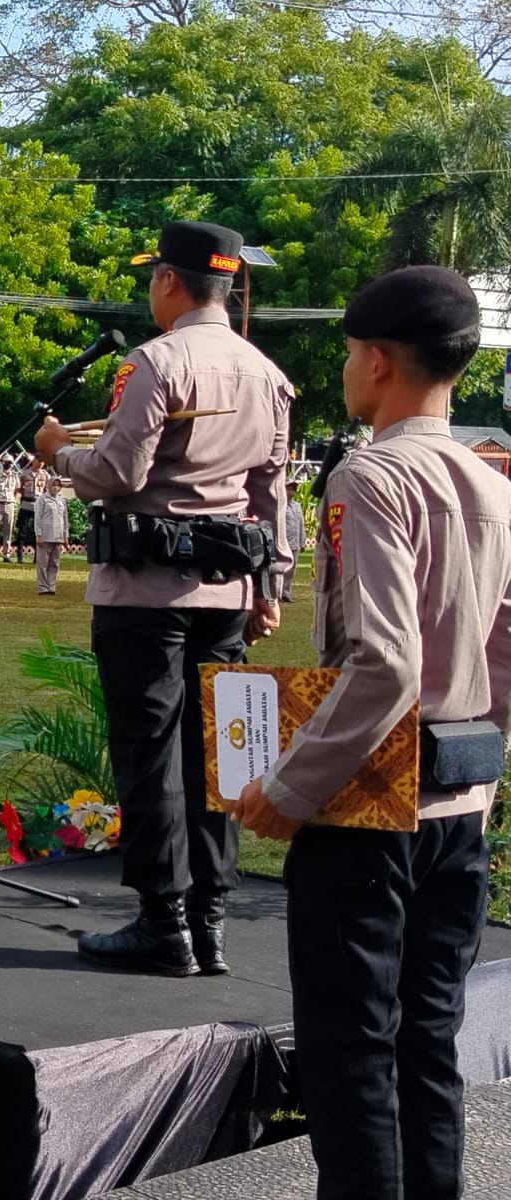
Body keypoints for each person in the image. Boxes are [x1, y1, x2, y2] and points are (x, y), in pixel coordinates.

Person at [229, 266, 511, 1200]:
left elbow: (382, 663)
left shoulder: (372, 475)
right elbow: (505, 653)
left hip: (366, 811)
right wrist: (477, 767)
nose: (348, 369)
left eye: (351, 354)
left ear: (379, 362)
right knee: (428, 1042)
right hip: (459, 804)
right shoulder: (490, 480)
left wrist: (288, 786)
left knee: (352, 1060)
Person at [35, 219, 293, 977]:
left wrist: (58, 453)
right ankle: (209, 924)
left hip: (144, 592)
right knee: (219, 759)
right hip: (224, 592)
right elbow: (271, 497)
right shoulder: (266, 374)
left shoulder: (156, 361)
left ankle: (162, 922)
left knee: (149, 757)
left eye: (154, 276)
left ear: (171, 282)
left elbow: (118, 471)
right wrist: (269, 586)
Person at [33, 475, 69, 595]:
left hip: (57, 536)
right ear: (48, 485)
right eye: (53, 484)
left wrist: (65, 536)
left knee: (54, 563)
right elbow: (37, 518)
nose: (55, 487)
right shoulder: (42, 499)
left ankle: (51, 587)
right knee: (43, 564)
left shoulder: (61, 501)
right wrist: (38, 534)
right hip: (45, 535)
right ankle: (43, 587)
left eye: (58, 485)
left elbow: (65, 519)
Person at [0, 456, 18, 562]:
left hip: (9, 504)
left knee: (8, 531)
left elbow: (16, 489)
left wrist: (11, 500)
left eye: (10, 462)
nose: (8, 465)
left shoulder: (14, 476)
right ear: (1, 462)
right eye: (6, 462)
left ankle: (6, 554)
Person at [281, 495, 306, 601]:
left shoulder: (297, 506)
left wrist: (302, 541)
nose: (291, 491)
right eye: (289, 488)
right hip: (284, 543)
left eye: (293, 488)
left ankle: (286, 593)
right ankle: (278, 592)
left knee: (291, 570)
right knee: (282, 569)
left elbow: (301, 524)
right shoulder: (281, 505)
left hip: (295, 543)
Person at [14, 455, 39, 563]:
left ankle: (37, 557)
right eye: (39, 461)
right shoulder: (24, 474)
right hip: (25, 504)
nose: (41, 463)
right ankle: (19, 556)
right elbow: (19, 488)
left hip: (37, 505)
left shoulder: (45, 475)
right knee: (22, 531)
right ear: (34, 461)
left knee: (36, 532)